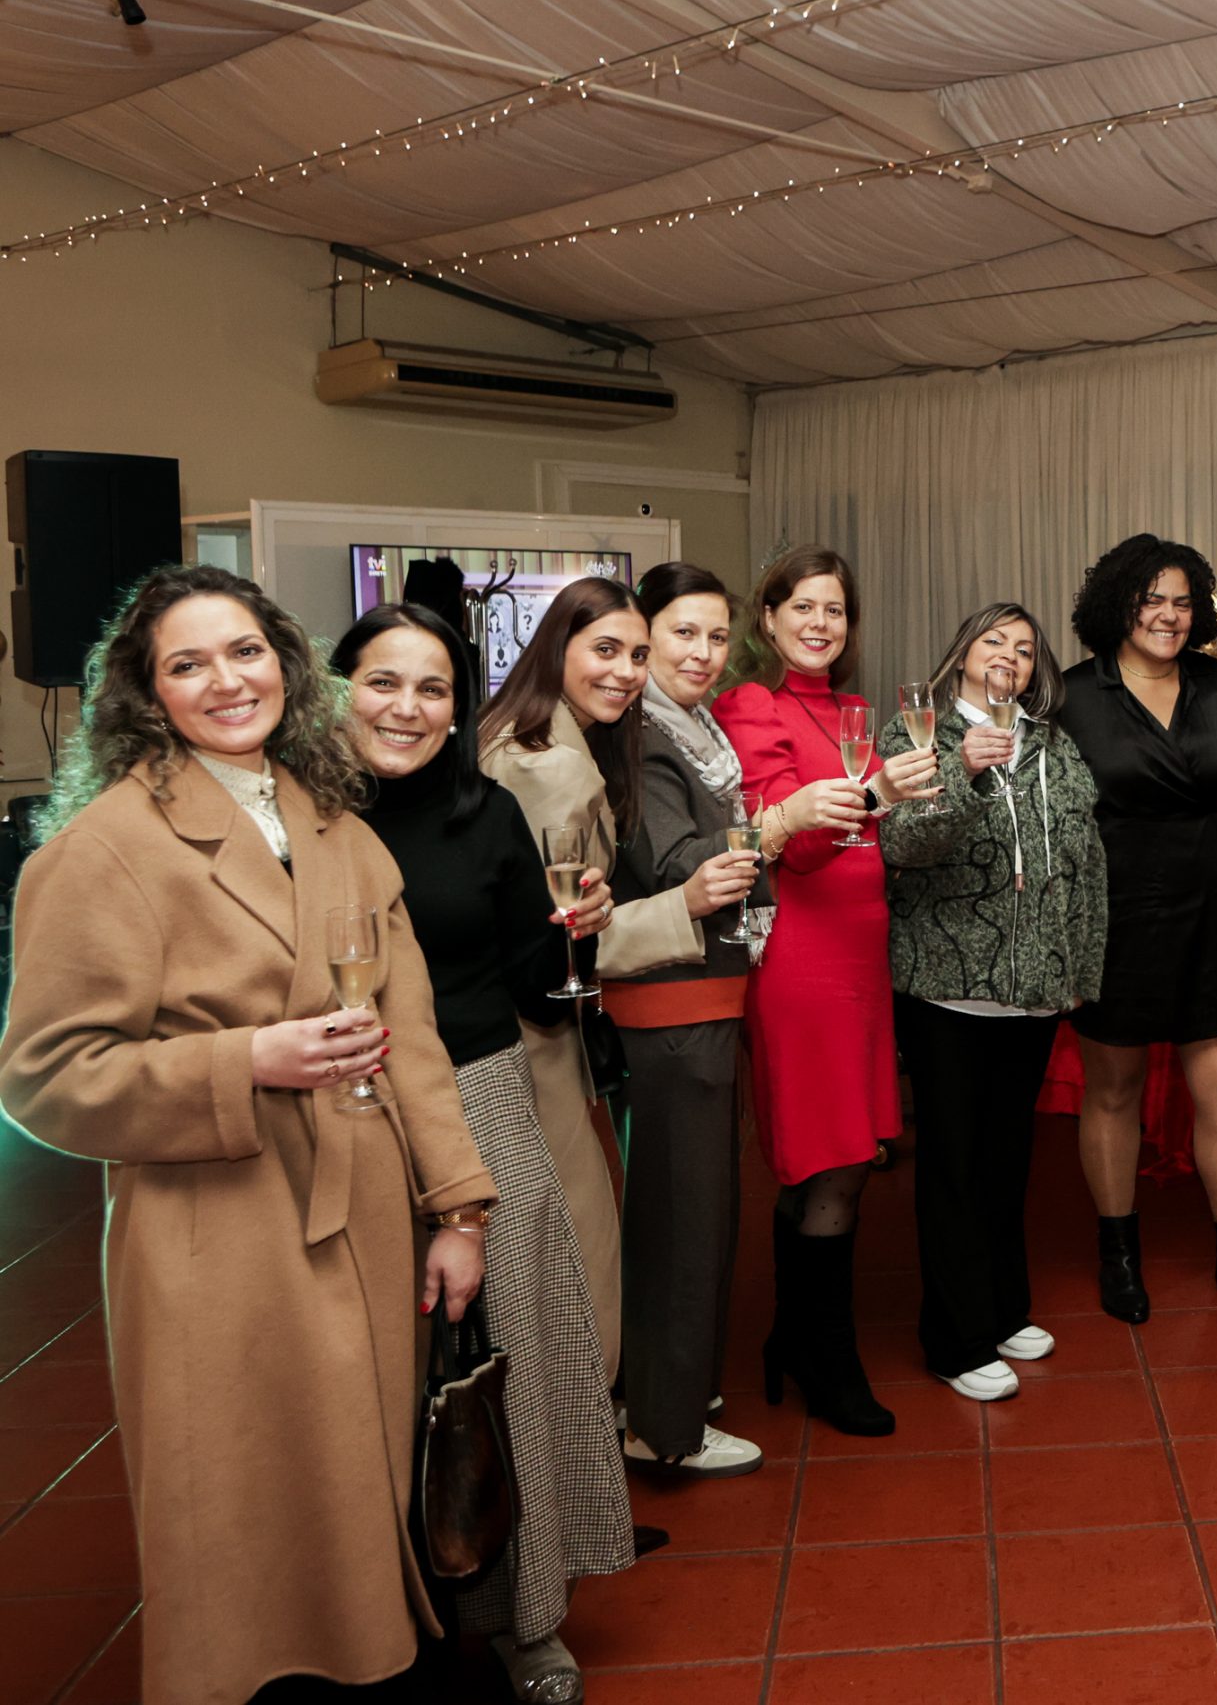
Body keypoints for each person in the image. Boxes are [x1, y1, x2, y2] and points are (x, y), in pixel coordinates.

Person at [0, 567, 496, 1705]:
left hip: (364, 1214)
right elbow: (44, 1077)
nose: (226, 682)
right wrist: (244, 1062)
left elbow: (411, 1036)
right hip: (216, 1238)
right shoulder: (104, 849)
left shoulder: (335, 824)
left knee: (363, 1493)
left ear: (287, 665)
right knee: (243, 1519)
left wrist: (459, 1207)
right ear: (148, 693)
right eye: (188, 664)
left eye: (245, 652)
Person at [334, 603, 638, 1699]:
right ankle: (376, 1616)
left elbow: (537, 991)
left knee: (516, 1354)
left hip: (482, 1093)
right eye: (383, 681)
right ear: (336, 690)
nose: (406, 708)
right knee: (371, 1368)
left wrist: (576, 935)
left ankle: (528, 1616)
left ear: (459, 709)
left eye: (433, 689)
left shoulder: (487, 811)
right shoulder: (304, 820)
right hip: (344, 1109)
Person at [713, 545, 939, 1433]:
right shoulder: (750, 704)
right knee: (830, 1156)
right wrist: (874, 794)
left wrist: (900, 802)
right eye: (802, 607)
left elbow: (868, 834)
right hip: (803, 958)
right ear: (767, 618)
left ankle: (794, 1336)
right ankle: (827, 1355)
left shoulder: (851, 708)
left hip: (860, 947)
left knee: (843, 1152)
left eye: (835, 610)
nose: (820, 623)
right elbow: (793, 844)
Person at [1054, 535, 1217, 1321]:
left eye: (1182, 602)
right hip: (1115, 913)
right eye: (1151, 600)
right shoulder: (1072, 694)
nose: (1168, 615)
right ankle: (1119, 1256)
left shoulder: (1215, 681)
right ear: (1118, 605)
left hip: (1202, 905)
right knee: (1115, 1090)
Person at [879, 603, 1110, 1400]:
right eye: (993, 641)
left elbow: (1082, 856)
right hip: (946, 986)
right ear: (963, 654)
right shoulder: (918, 732)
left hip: (1033, 990)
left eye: (1025, 646)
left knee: (1007, 1159)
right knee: (952, 1164)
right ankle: (955, 1339)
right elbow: (903, 846)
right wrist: (961, 771)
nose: (1010, 654)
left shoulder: (1052, 741)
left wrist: (1079, 965)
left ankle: (1004, 1308)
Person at [480, 577, 701, 1384]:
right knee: (573, 1251)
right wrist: (683, 906)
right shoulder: (549, 768)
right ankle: (577, 1432)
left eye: (637, 655)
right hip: (532, 1046)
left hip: (521, 1037)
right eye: (605, 650)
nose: (626, 672)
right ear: (556, 649)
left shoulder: (537, 738)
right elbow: (556, 944)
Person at [609, 562, 774, 1473]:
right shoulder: (641, 736)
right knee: (682, 1215)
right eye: (683, 633)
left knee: (703, 1208)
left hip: (707, 993)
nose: (703, 653)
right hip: (671, 1000)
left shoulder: (694, 729)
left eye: (716, 636)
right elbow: (679, 864)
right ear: (644, 638)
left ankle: (679, 1389)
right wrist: (778, 825)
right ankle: (663, 1430)